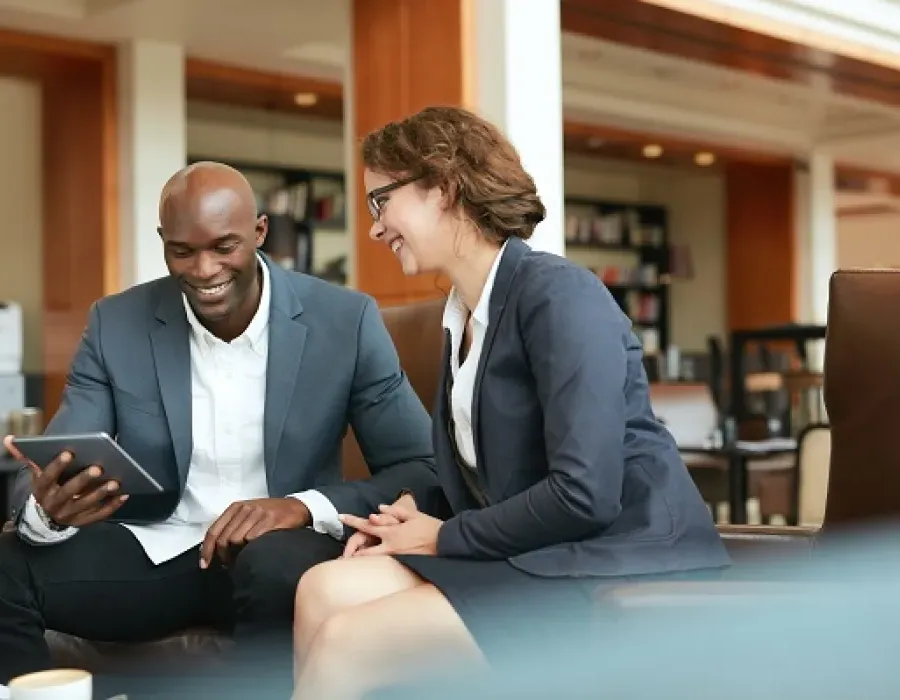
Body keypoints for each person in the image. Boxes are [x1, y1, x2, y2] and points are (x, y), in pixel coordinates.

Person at [290, 106, 731, 700]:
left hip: (620, 559)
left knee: (350, 642)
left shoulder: (560, 295)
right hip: (542, 552)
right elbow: (495, 478)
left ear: (443, 188)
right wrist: (404, 521)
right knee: (320, 588)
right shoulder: (460, 319)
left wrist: (441, 538)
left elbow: (584, 493)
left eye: (381, 201)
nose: (374, 227)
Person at [0, 161, 439, 688]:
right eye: (182, 251)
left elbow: (420, 469)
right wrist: (45, 512)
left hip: (282, 556)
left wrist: (301, 508)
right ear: (163, 243)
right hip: (157, 549)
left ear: (259, 232)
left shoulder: (345, 320)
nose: (204, 269)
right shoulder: (116, 323)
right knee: (7, 561)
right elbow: (57, 456)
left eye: (223, 247)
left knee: (272, 564)